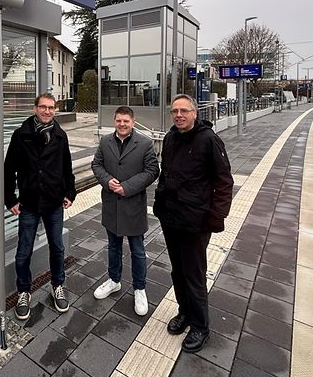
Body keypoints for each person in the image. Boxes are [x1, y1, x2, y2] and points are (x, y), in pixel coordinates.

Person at [154, 94, 234, 353]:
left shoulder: (209, 140)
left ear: (195, 113)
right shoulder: (170, 138)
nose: (178, 115)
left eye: (184, 111)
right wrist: (160, 201)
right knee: (177, 271)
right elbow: (166, 173)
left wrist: (216, 216)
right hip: (171, 217)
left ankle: (201, 326)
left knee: (194, 274)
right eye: (175, 111)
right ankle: (185, 312)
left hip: (195, 221)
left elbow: (224, 182)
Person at [4, 93, 76, 321]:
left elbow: (67, 168)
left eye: (51, 108)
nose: (47, 111)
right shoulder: (21, 135)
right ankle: (24, 291)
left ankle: (58, 285)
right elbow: (8, 170)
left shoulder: (60, 136)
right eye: (43, 107)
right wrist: (10, 199)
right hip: (29, 203)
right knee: (23, 251)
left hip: (54, 202)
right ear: (35, 109)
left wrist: (69, 192)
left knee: (57, 247)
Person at [91, 106, 160, 315]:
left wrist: (126, 187)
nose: (122, 124)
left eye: (126, 121)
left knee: (138, 250)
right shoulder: (105, 141)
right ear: (114, 121)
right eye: (119, 121)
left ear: (133, 121)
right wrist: (107, 180)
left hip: (133, 206)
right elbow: (97, 165)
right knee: (113, 247)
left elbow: (152, 171)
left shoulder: (145, 143)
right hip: (112, 205)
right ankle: (114, 280)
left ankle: (139, 288)